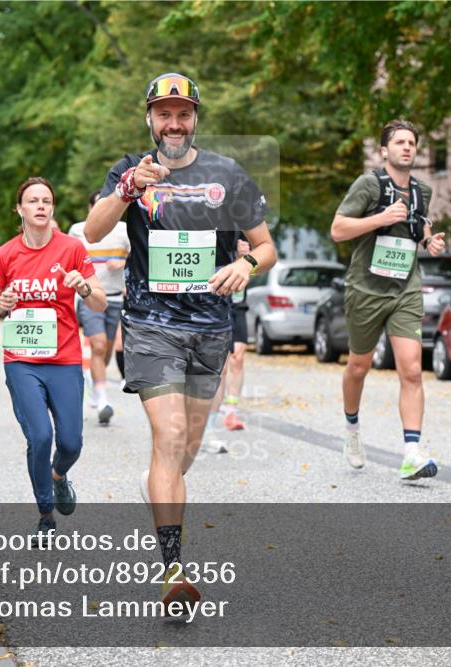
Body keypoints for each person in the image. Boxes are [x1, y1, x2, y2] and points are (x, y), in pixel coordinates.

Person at [84, 73, 277, 611]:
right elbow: (94, 232)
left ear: (195, 119)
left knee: (185, 448)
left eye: (183, 114)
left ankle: (157, 485)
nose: (174, 123)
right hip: (151, 325)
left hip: (210, 328)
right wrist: (127, 188)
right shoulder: (130, 170)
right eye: (164, 114)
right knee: (169, 436)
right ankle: (173, 570)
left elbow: (266, 247)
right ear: (149, 118)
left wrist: (245, 266)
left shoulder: (227, 174)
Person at [0, 177, 106, 541]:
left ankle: (58, 475)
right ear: (19, 209)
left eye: (46, 201)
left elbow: (100, 302)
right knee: (39, 435)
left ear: (52, 208)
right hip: (21, 360)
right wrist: (0, 303)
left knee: (70, 443)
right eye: (33, 200)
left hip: (64, 358)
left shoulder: (72, 248)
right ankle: (45, 514)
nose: (40, 206)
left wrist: (83, 286)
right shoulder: (6, 254)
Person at [329, 119, 447, 480]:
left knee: (411, 369)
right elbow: (337, 229)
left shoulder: (422, 190)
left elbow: (419, 223)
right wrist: (379, 217)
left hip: (405, 289)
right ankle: (352, 429)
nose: (407, 147)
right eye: (399, 142)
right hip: (366, 289)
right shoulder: (369, 185)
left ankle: (412, 452)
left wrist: (429, 241)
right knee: (358, 367)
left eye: (411, 142)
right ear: (385, 150)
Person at [68, 189, 130, 425]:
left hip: (115, 298)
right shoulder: (78, 231)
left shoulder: (124, 230)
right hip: (89, 296)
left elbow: (141, 257)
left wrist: (122, 262)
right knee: (98, 344)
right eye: (96, 205)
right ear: (90, 208)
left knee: (105, 351)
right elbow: (69, 260)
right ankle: (103, 400)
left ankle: (93, 381)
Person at [204, 237, 252, 453]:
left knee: (237, 357)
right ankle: (201, 426)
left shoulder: (244, 229)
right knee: (219, 367)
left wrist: (246, 260)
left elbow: (262, 261)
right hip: (212, 300)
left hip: (237, 304)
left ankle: (229, 411)